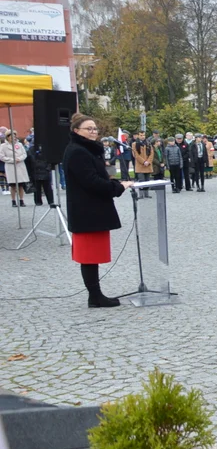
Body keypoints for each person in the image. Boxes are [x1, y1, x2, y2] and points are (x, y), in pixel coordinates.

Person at [63, 114, 134, 307]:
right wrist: (118, 187)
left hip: (92, 210)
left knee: (92, 256)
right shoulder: (78, 151)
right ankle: (95, 296)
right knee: (88, 256)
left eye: (95, 128)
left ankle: (95, 295)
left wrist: (115, 183)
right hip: (87, 211)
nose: (93, 132)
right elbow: (91, 182)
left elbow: (95, 177)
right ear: (77, 131)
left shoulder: (86, 149)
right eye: (89, 128)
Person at [0, 131, 28, 207]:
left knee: (21, 185)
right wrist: (12, 160)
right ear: (8, 137)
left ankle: (21, 200)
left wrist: (19, 159)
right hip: (10, 167)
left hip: (20, 166)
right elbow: (2, 157)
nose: (14, 138)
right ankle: (13, 200)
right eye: (12, 136)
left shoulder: (19, 145)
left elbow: (24, 154)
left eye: (15, 136)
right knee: (13, 185)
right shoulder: (3, 146)